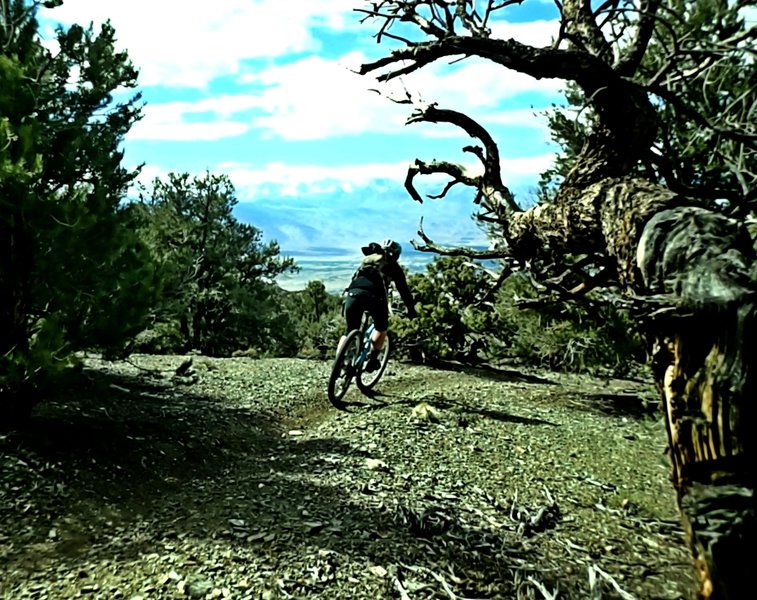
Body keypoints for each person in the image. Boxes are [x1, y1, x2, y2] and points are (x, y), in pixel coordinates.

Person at [339, 239, 417, 371]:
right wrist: (411, 310)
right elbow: (404, 291)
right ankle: (373, 360)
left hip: (353, 293)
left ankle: (339, 361)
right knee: (381, 327)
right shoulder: (394, 268)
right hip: (375, 297)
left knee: (350, 330)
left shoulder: (368, 261)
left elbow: (354, 279)